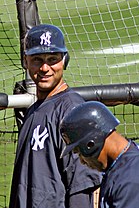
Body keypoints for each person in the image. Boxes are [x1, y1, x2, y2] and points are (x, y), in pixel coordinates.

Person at [9, 24, 101, 208]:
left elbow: (80, 185)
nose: (45, 68)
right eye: (37, 60)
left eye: (52, 59)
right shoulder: (34, 111)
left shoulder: (72, 110)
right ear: (25, 61)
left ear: (64, 61)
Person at [60, 101, 139, 208]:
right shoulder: (124, 161)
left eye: (79, 153)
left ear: (91, 144)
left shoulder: (133, 177)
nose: (82, 161)